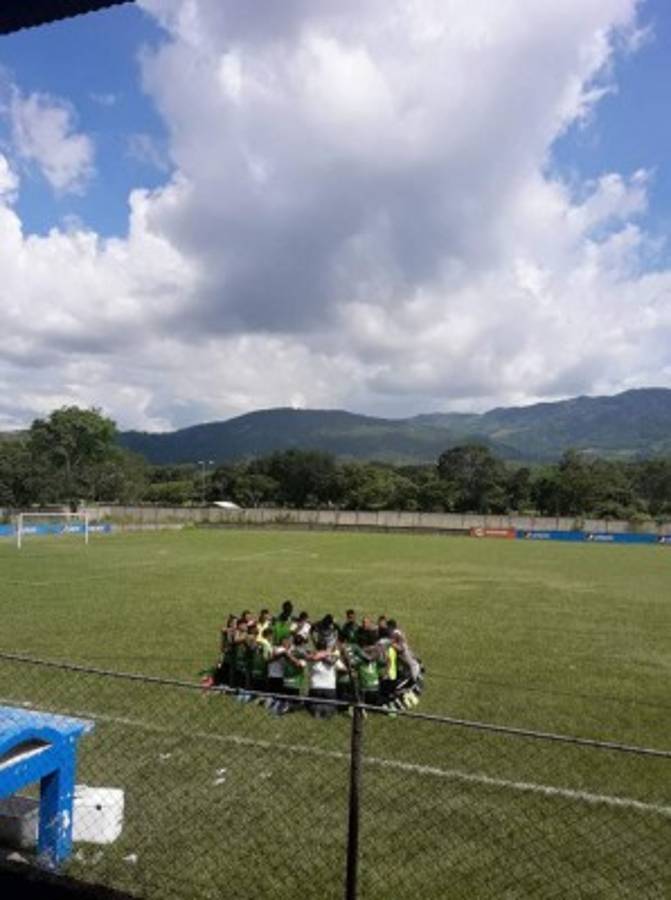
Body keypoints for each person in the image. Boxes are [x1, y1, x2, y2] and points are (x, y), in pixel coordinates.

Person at [306, 639, 339, 719]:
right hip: (330, 688)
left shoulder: (312, 656)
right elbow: (337, 664)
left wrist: (320, 655)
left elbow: (310, 657)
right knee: (330, 706)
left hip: (315, 687)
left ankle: (317, 712)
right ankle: (326, 712)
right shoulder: (332, 656)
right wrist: (327, 654)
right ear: (326, 647)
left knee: (314, 704)